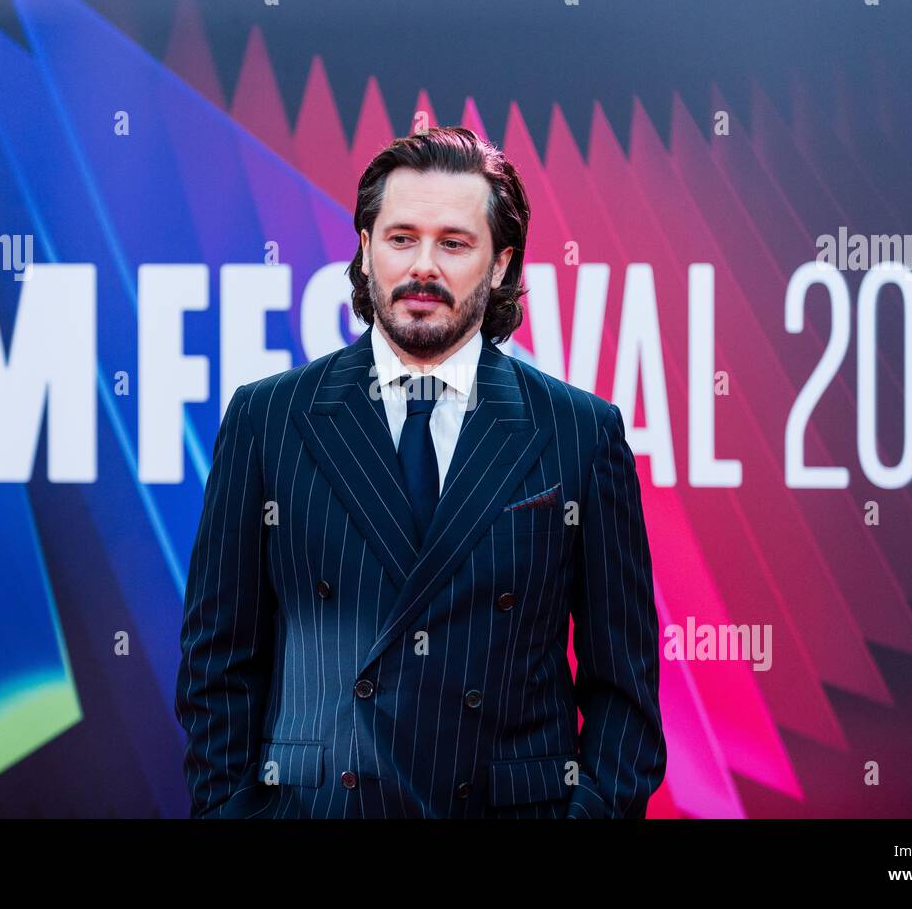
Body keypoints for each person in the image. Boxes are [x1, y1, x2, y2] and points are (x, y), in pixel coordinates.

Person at [174, 126, 665, 818]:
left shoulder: (581, 434)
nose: (422, 267)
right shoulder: (268, 421)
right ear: (366, 249)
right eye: (401, 237)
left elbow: (625, 687)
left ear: (500, 264)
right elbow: (216, 666)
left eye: (454, 242)